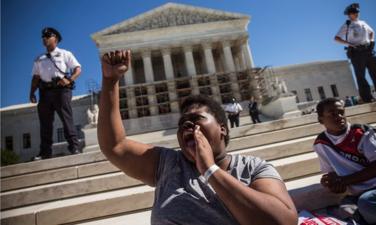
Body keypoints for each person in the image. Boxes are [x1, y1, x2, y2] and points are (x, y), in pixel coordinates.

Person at [98, 50, 298, 225]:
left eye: (196, 118)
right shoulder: (167, 164)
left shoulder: (253, 168)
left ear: (223, 129)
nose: (187, 124)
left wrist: (210, 170)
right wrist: (111, 81)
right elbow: (115, 146)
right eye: (182, 123)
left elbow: (283, 221)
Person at [314, 98, 376, 224]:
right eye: (332, 113)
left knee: (365, 207)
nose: (339, 116)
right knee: (365, 203)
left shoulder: (361, 131)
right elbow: (332, 174)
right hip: (371, 192)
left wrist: (344, 180)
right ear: (321, 119)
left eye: (341, 112)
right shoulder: (321, 144)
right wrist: (332, 183)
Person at [29, 27, 82, 160]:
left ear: (56, 39)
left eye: (48, 36)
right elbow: (35, 77)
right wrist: (32, 93)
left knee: (66, 119)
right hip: (45, 92)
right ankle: (45, 152)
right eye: (43, 37)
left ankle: (74, 147)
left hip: (61, 91)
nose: (45, 38)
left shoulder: (65, 54)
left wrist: (69, 79)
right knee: (45, 123)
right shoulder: (39, 59)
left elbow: (78, 69)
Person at [334, 3, 376, 103]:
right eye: (354, 12)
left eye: (357, 12)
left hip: (368, 50)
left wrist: (372, 41)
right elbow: (336, 38)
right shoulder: (347, 25)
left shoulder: (363, 23)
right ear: (349, 14)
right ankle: (367, 98)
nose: (357, 13)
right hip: (357, 52)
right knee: (361, 76)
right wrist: (349, 44)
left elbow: (372, 32)